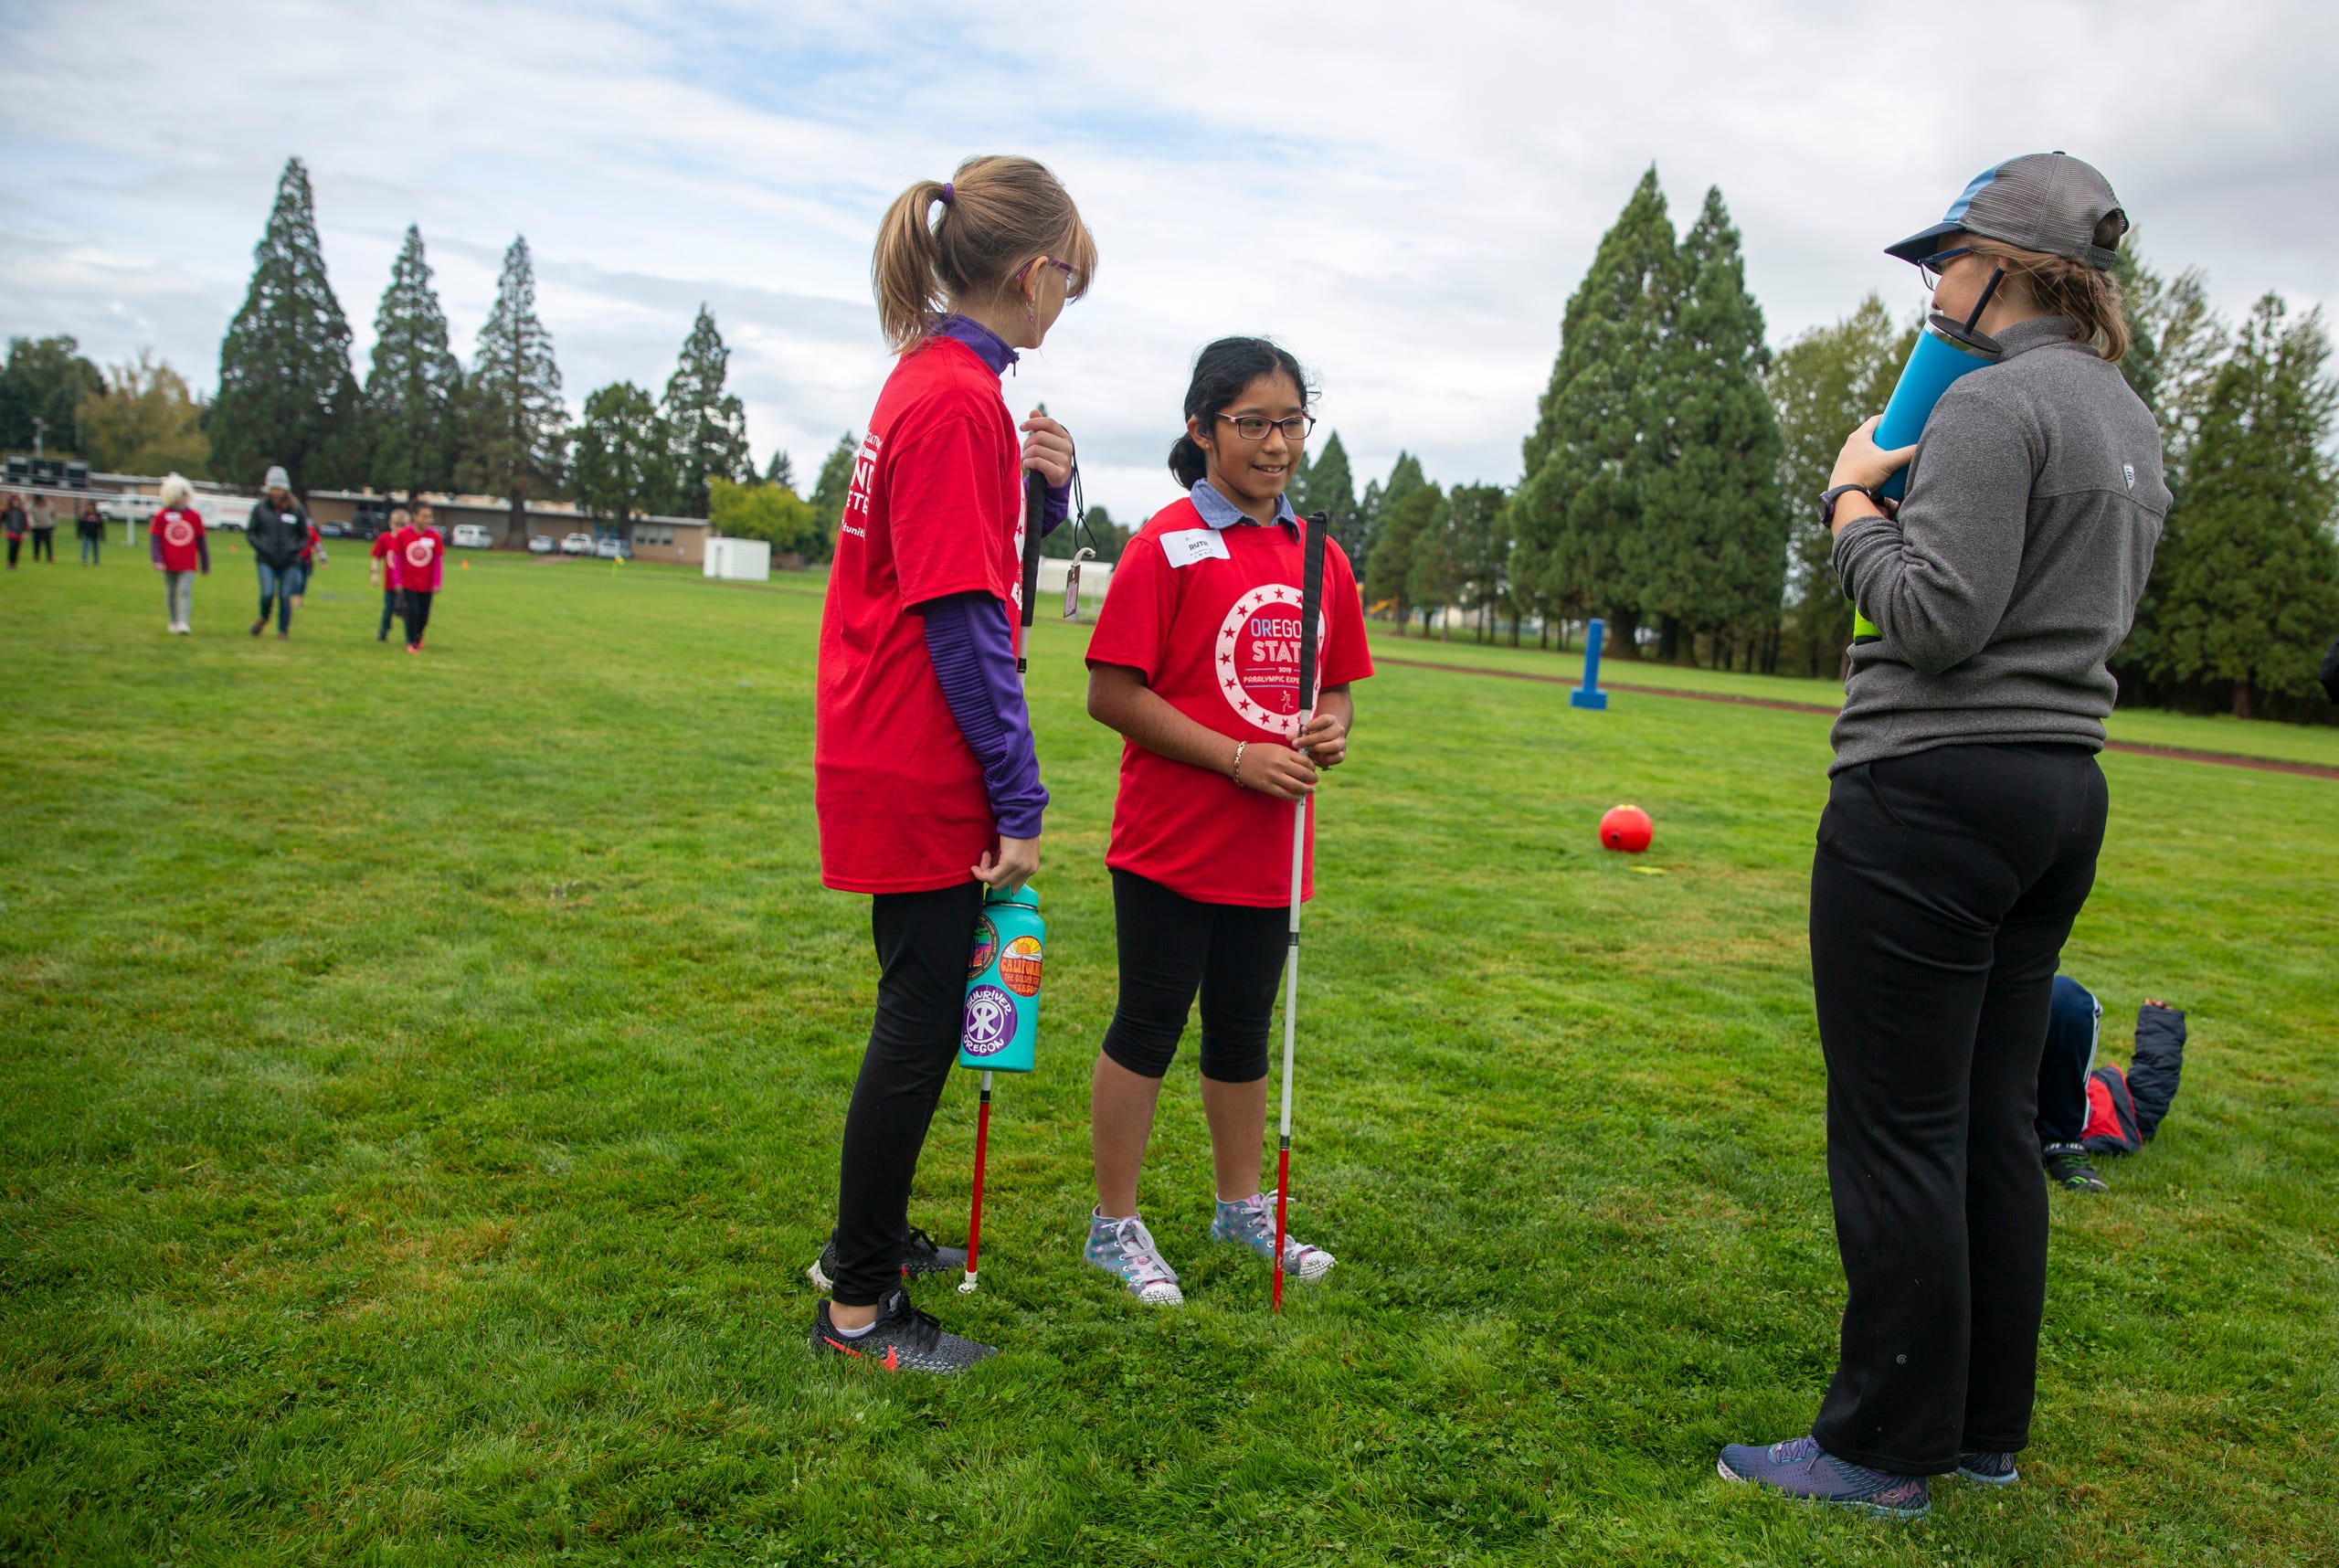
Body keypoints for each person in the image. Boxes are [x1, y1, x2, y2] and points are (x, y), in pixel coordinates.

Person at [1720, 153, 2171, 1519]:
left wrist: (1854, 500)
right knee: (1986, 1121)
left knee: (1895, 1130)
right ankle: (1980, 1428)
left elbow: (1933, 615)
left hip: (1929, 793)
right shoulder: (2127, 418)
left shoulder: (1987, 407)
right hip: (2057, 793)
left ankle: (1877, 1450)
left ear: (2016, 266)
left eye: (1945, 260)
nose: (1932, 287)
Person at [807, 154, 1094, 1373]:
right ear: (1033, 274)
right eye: (1071, 283)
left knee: (912, 1007)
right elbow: (964, 621)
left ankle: (856, 1247)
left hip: (891, 736)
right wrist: (1018, 794)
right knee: (920, 1018)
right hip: (918, 752)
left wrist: (1042, 498)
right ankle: (858, 1310)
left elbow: (968, 564)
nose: (1067, 304)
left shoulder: (932, 378)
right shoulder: (956, 399)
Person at [1077, 338, 1371, 1306]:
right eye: (1252, 423)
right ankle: (1112, 1225)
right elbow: (1112, 693)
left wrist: (1326, 732)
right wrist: (1236, 758)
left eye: (1291, 422)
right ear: (1202, 429)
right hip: (1170, 840)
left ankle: (1239, 1206)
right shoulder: (1161, 544)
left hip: (1272, 846)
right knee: (1150, 1023)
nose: (1276, 443)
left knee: (1242, 1033)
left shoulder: (1322, 554)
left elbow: (1335, 691)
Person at [2037, 979, 2186, 1190]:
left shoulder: (2124, 1119)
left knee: (2066, 994)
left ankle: (2063, 1146)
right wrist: (2160, 1022)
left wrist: (2160, 1022)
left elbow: (2152, 1088)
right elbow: (2153, 1082)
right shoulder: (2121, 1108)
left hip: (2048, 1111)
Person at [247, 467, 311, 640]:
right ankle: (264, 617)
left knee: (284, 596)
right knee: (267, 593)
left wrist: (294, 549)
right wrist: (261, 547)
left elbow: (304, 535)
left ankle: (283, 630)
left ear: (285, 489)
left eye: (279, 489)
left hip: (289, 561)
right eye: (273, 489)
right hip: (265, 559)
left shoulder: (297, 510)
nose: (276, 492)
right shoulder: (260, 509)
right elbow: (251, 533)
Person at [148, 474, 209, 634]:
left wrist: (205, 562)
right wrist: (157, 560)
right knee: (171, 592)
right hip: (169, 562)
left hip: (188, 563)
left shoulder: (194, 516)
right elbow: (155, 540)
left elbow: (201, 541)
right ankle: (173, 621)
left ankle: (184, 623)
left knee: (184, 590)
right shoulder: (161, 516)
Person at [388, 503, 445, 652]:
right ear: (415, 516)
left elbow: (437, 561)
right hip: (408, 582)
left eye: (429, 517)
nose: (427, 520)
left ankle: (418, 636)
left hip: (426, 584)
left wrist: (437, 582)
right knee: (413, 612)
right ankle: (412, 642)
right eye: (424, 516)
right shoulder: (403, 535)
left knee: (424, 616)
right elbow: (398, 558)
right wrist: (397, 580)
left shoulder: (434, 537)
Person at [371, 508, 407, 641]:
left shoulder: (408, 540)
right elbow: (376, 557)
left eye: (402, 525)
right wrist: (374, 573)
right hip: (390, 584)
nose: (399, 528)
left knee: (407, 612)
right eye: (396, 524)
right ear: (390, 523)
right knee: (388, 610)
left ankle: (410, 637)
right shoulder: (384, 538)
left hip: (407, 584)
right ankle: (383, 632)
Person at [28, 493, 57, 563]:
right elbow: (28, 515)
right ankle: (36, 556)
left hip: (47, 526)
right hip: (36, 526)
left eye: (40, 500)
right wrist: (30, 525)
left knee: (48, 542)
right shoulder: (31, 506)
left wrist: (54, 524)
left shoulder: (49, 505)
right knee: (36, 542)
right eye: (38, 500)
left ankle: (50, 557)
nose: (39, 502)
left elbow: (54, 515)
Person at [77, 499, 104, 566]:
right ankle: (84, 560)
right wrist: (79, 533)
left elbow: (101, 525)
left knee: (96, 549)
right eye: (89, 507)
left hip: (95, 534)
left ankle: (96, 561)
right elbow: (81, 524)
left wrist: (102, 535)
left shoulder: (97, 515)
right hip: (87, 534)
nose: (90, 508)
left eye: (91, 507)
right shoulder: (85, 515)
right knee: (85, 548)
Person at [3, 493, 25, 569]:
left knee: (16, 549)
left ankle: (14, 564)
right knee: (12, 546)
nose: (15, 502)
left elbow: (25, 523)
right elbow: (2, 520)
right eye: (14, 501)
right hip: (10, 532)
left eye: (16, 501)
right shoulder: (7, 511)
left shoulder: (22, 512)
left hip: (19, 533)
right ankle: (10, 563)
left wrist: (24, 532)